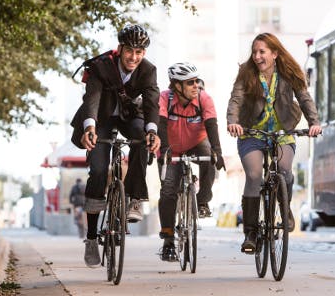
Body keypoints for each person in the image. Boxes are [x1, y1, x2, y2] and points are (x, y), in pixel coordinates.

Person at [72, 24, 161, 268]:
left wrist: (153, 131)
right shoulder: (101, 66)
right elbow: (92, 99)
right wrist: (89, 128)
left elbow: (153, 103)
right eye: (130, 51)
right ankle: (91, 238)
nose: (134, 57)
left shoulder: (148, 70)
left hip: (129, 116)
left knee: (142, 139)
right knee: (99, 170)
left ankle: (134, 197)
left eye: (139, 52)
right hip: (100, 118)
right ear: (120, 49)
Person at [226, 32, 321, 254]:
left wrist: (314, 123)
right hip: (252, 132)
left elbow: (305, 98)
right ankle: (250, 233)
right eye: (255, 52)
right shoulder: (246, 73)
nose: (257, 57)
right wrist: (233, 122)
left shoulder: (289, 72)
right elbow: (236, 100)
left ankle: (284, 207)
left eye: (262, 52)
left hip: (282, 131)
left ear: (275, 54)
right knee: (254, 175)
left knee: (285, 170)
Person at [157, 62, 225, 261]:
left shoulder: (204, 98)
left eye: (197, 81)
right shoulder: (164, 98)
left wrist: (218, 151)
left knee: (209, 158)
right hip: (171, 146)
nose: (196, 85)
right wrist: (164, 150)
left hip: (196, 142)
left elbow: (212, 125)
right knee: (168, 189)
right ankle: (168, 241)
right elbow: (160, 124)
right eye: (190, 83)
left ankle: (203, 200)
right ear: (177, 86)